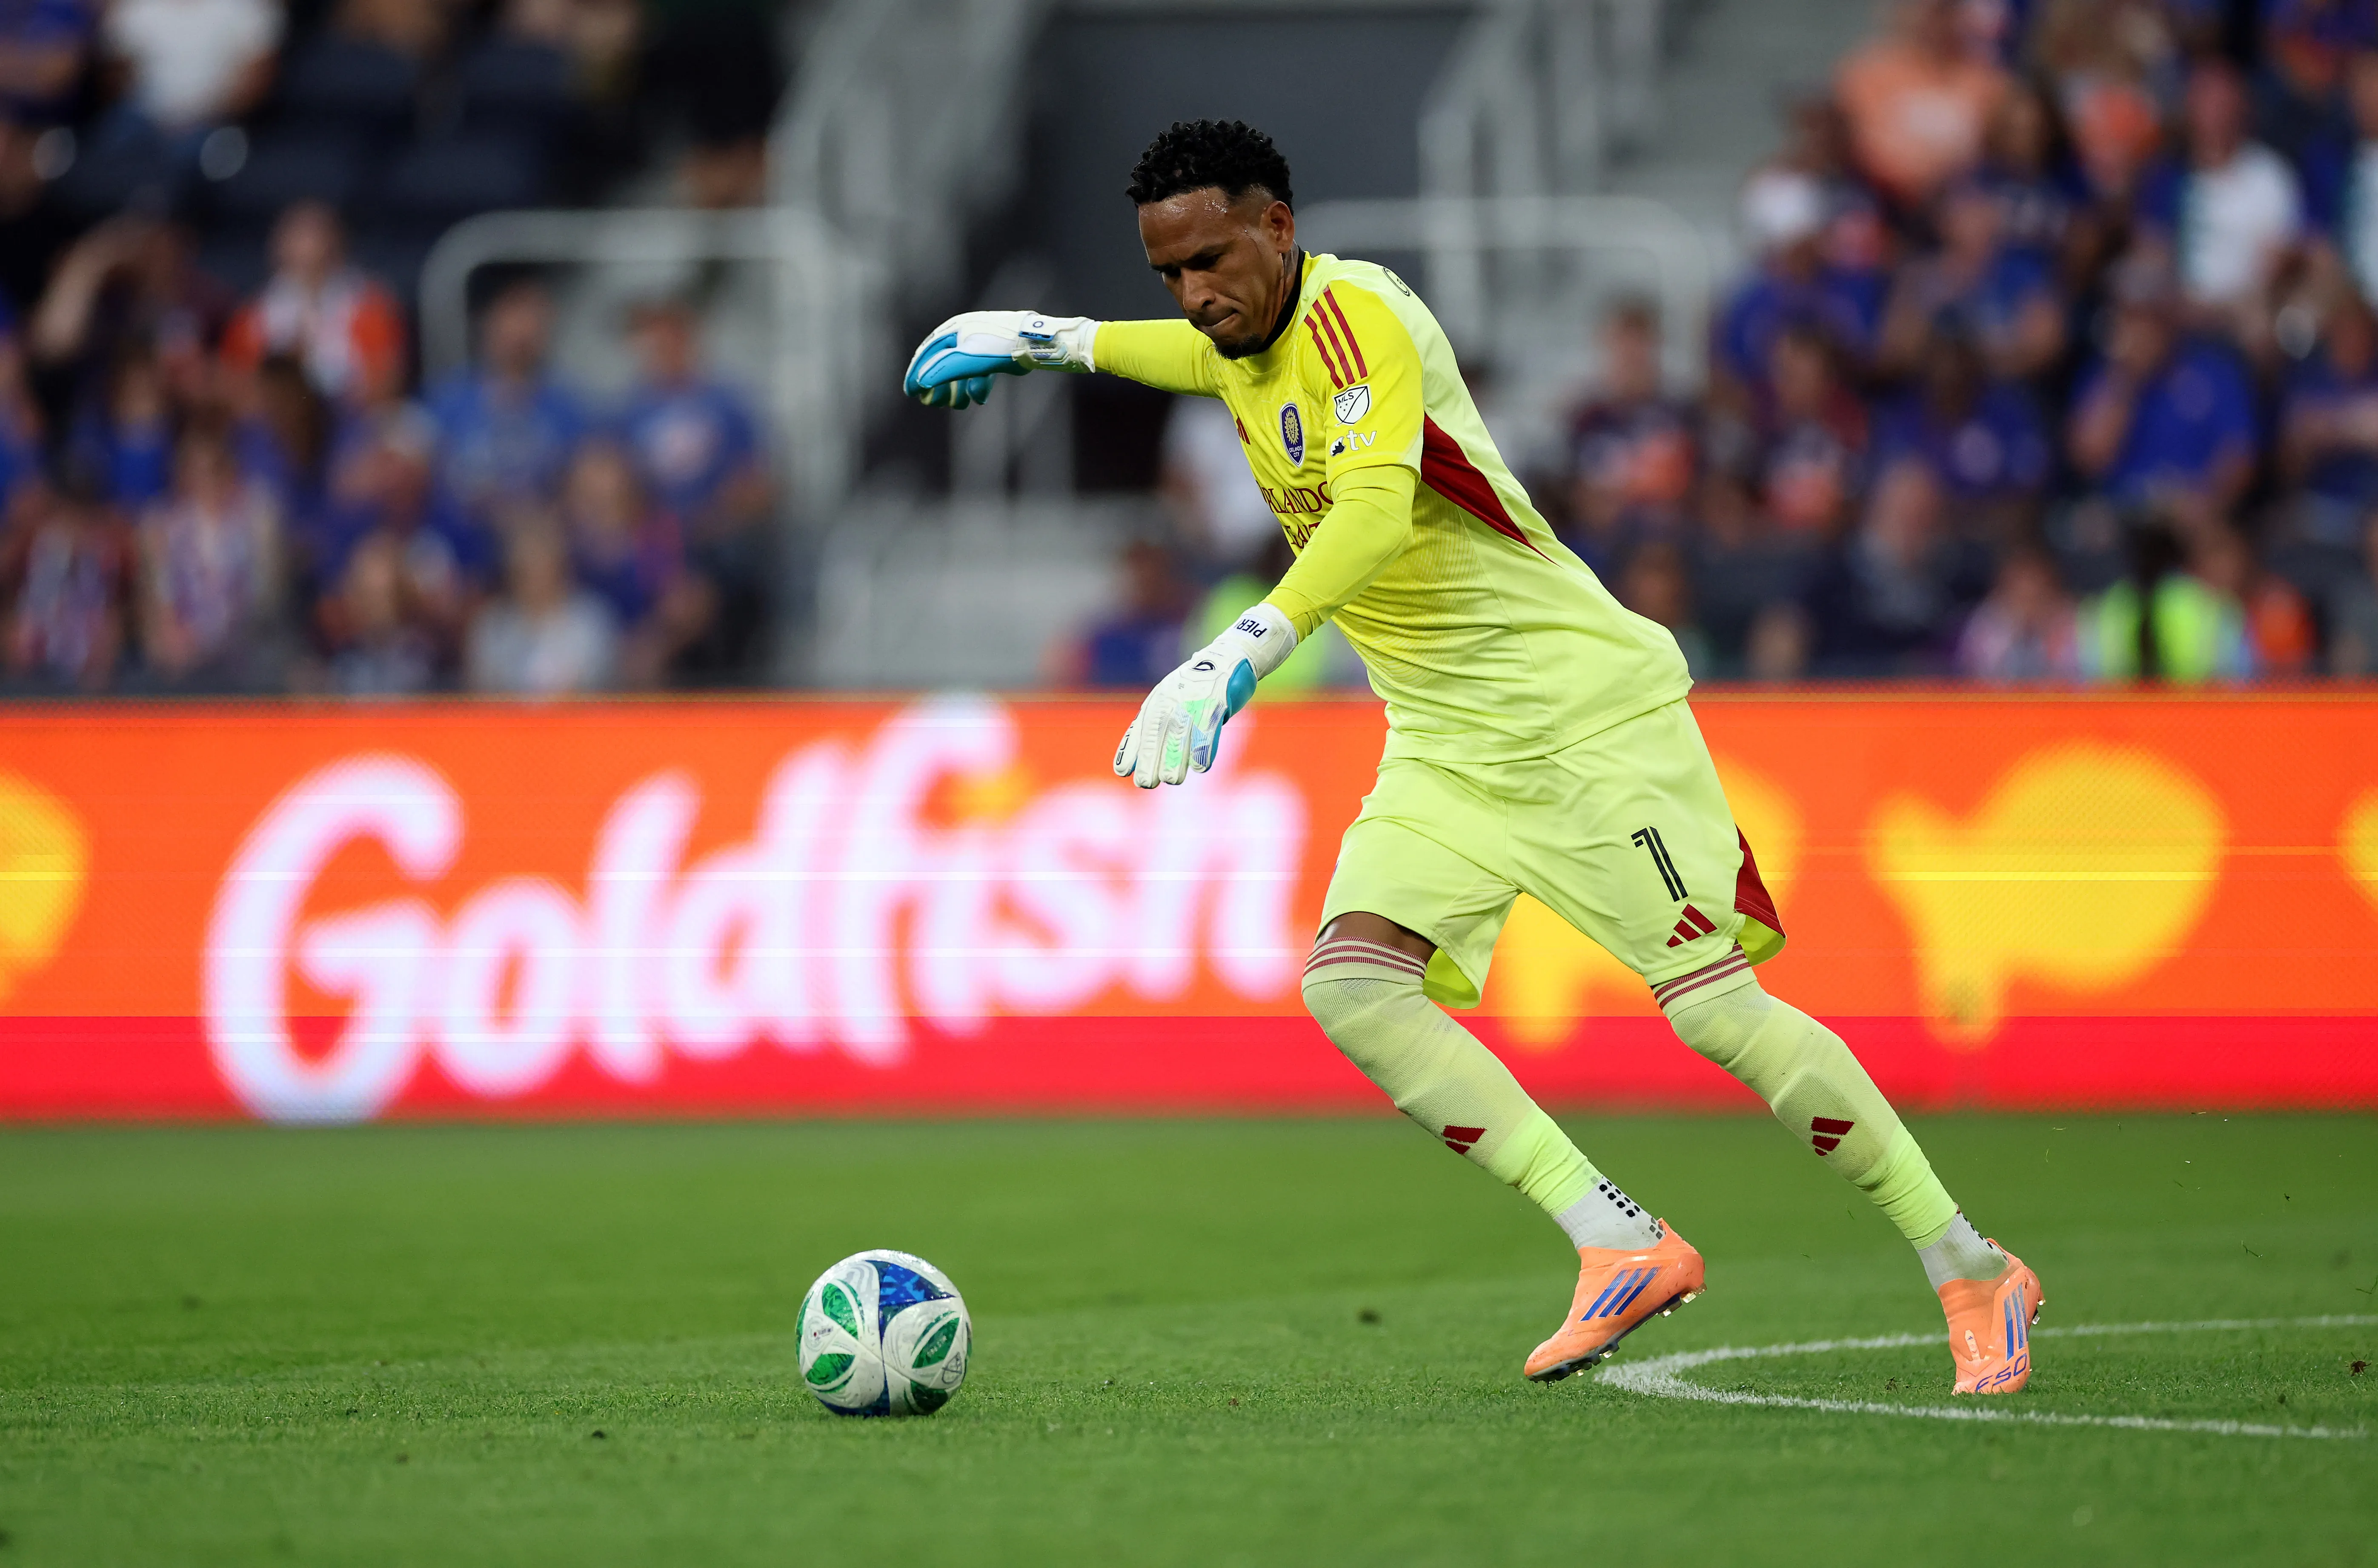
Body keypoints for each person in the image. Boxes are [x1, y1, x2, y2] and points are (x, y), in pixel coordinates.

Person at [903, 119, 2041, 1395]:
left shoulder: (1356, 322)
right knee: (1352, 987)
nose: (1193, 294)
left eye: (1211, 260)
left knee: (1716, 1012)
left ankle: (1969, 1264)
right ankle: (1616, 1237)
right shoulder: (1237, 341)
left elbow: (1371, 513)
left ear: (1278, 226)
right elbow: (1177, 353)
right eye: (1169, 272)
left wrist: (1235, 653)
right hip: (1446, 745)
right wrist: (1041, 338)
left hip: (1581, 718)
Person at [426, 278, 587, 533]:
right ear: (489, 323)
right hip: (461, 535)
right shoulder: (446, 402)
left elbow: (578, 488)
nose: (523, 331)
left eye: (534, 319)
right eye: (513, 315)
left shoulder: (569, 409)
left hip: (541, 537)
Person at [220, 203, 406, 405]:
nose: (309, 245)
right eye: (299, 235)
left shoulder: (370, 305)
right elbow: (237, 384)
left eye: (317, 234)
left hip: (352, 413)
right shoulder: (256, 315)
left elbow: (387, 380)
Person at [1831, 0, 2009, 211]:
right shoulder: (1869, 72)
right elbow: (1868, 147)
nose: (1936, 23)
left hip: (1965, 200)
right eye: (1929, 12)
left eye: (1946, 12)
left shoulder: (1987, 79)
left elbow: (1997, 147)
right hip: (1884, 200)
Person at [465, 518, 616, 695]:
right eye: (525, 567)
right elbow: (481, 693)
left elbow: (602, 692)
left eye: (542, 564)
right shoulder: (493, 626)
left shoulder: (591, 622)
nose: (535, 577)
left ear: (560, 567)